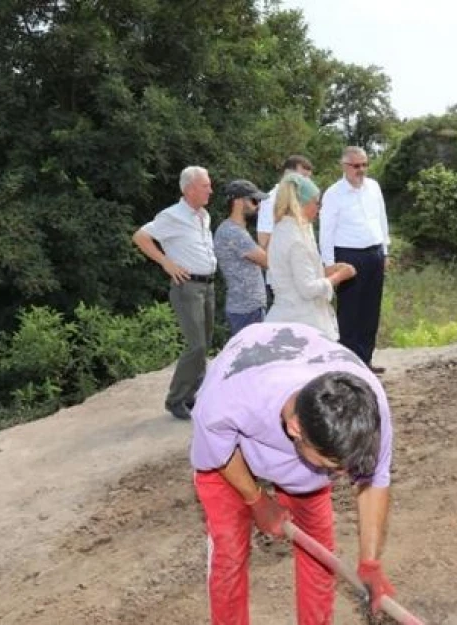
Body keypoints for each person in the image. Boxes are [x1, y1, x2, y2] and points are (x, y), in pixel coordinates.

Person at [190, 321, 398, 624]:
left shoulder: (367, 409)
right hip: (227, 455)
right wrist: (257, 500)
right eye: (333, 467)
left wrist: (370, 561)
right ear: (296, 428)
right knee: (230, 551)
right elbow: (217, 453)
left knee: (317, 549)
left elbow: (374, 481)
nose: (343, 476)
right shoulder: (228, 402)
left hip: (296, 431)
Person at [132, 166, 217, 420]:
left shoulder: (204, 215)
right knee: (197, 346)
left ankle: (193, 395)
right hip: (187, 286)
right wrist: (165, 262)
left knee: (206, 344)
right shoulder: (172, 215)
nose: (210, 190)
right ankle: (176, 399)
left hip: (208, 285)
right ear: (190, 188)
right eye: (205, 186)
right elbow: (140, 236)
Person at [319, 146, 390, 374]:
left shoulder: (373, 187)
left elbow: (381, 218)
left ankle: (365, 360)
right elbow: (326, 232)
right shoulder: (333, 194)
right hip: (348, 255)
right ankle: (349, 364)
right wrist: (329, 265)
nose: (361, 170)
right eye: (356, 166)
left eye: (364, 165)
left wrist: (385, 250)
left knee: (371, 309)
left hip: (374, 252)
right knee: (350, 312)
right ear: (345, 166)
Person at [266, 173, 356, 339]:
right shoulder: (296, 238)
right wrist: (339, 276)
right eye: (316, 202)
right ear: (302, 203)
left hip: (287, 314)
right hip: (301, 321)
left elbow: (299, 272)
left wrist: (327, 270)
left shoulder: (284, 229)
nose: (318, 208)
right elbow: (308, 289)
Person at [214, 179, 270, 339]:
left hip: (249, 308)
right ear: (238, 202)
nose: (258, 206)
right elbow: (268, 261)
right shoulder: (233, 232)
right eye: (254, 200)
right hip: (246, 310)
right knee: (251, 361)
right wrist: (275, 227)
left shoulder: (236, 231)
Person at [257, 155, 315, 250]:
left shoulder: (304, 200)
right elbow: (264, 240)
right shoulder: (270, 200)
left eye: (309, 178)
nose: (307, 182)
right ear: (287, 174)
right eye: (303, 176)